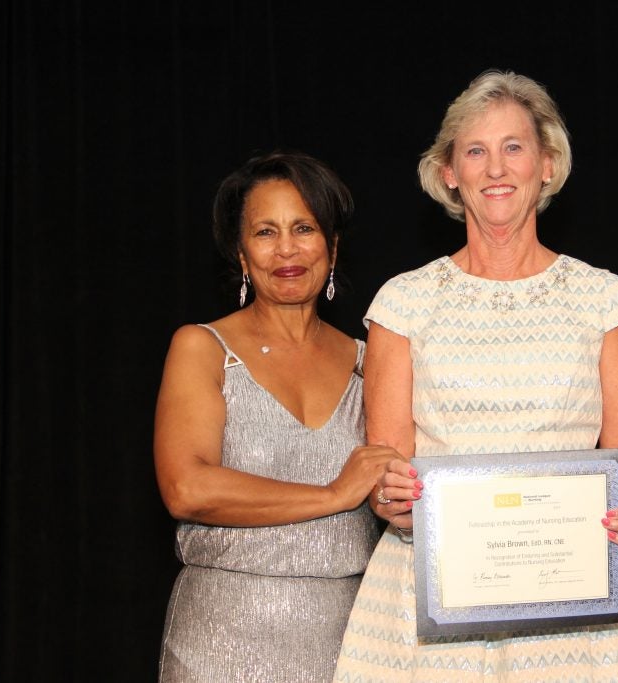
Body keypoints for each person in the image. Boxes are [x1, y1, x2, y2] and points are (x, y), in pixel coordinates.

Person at [333, 71, 618, 681]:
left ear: (547, 165)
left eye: (514, 147)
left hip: (578, 591)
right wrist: (393, 501)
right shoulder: (403, 302)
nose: (496, 168)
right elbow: (389, 459)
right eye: (475, 151)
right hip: (434, 594)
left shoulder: (603, 298)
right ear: (448, 173)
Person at [153, 151, 398, 681]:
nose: (286, 248)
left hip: (347, 640)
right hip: (220, 638)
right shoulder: (202, 348)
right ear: (241, 254)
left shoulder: (370, 360)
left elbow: (402, 490)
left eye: (303, 228)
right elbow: (186, 488)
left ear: (331, 247)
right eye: (265, 232)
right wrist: (334, 494)